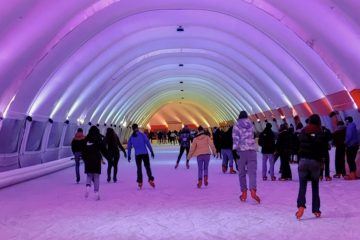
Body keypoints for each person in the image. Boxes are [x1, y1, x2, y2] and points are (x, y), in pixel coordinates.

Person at [296, 114, 328, 219]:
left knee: (302, 186)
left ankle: (301, 206)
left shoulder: (303, 131)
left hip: (303, 161)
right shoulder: (320, 132)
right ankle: (316, 210)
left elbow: (298, 145)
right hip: (315, 162)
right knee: (315, 186)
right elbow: (324, 149)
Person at [232, 111, 260, 203]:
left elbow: (235, 139)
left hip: (241, 152)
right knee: (252, 173)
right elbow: (254, 135)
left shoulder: (236, 125)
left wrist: (234, 150)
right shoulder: (251, 124)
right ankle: (253, 191)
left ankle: (244, 193)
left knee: (242, 173)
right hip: (252, 151)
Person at [82, 126, 108, 200]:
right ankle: (96, 192)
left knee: (89, 175)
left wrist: (84, 159)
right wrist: (108, 157)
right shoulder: (98, 139)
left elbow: (83, 150)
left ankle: (87, 186)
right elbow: (103, 149)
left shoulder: (86, 139)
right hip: (96, 159)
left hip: (88, 160)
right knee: (96, 176)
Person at [127, 124, 155, 189]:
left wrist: (129, 156)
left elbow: (129, 147)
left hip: (137, 155)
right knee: (147, 167)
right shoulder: (142, 135)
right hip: (145, 153)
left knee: (139, 169)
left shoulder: (131, 137)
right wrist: (151, 151)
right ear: (137, 128)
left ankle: (140, 181)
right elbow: (148, 143)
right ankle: (150, 179)